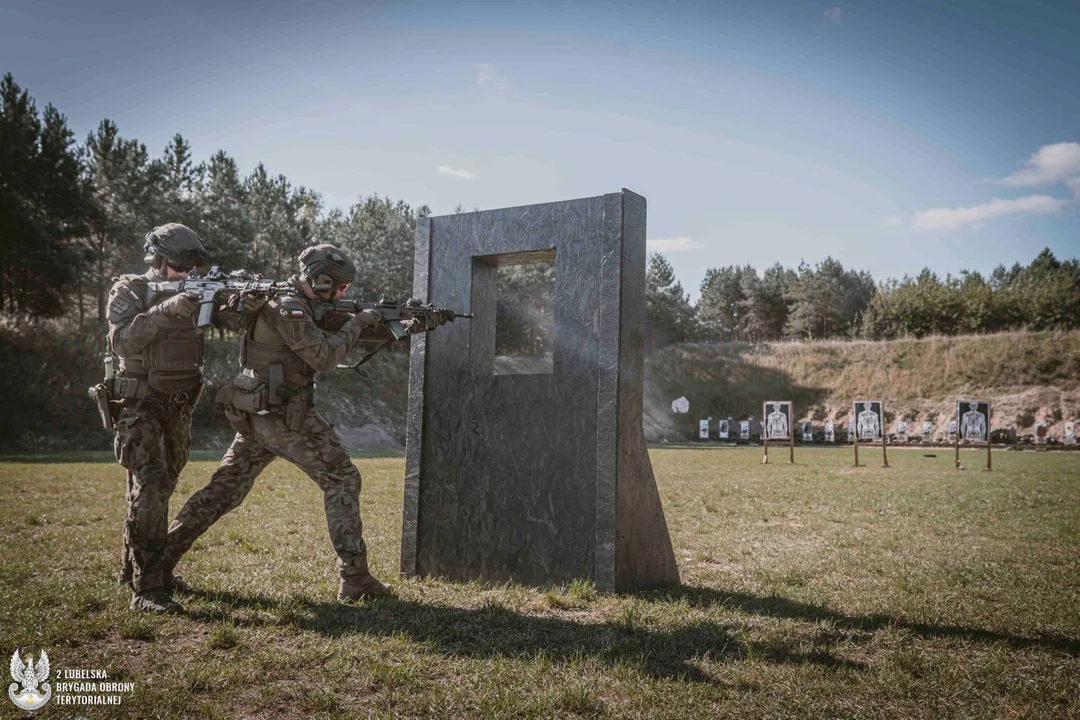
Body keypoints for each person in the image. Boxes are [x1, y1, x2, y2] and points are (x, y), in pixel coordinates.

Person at [160, 244, 435, 602]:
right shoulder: (286, 306)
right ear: (320, 281)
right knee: (341, 478)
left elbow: (350, 330)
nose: (344, 293)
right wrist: (360, 321)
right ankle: (355, 579)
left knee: (224, 489)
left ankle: (157, 564)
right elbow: (324, 355)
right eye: (339, 286)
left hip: (262, 411)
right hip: (282, 413)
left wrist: (410, 325)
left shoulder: (300, 304)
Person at [108, 223, 255, 614]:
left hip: (178, 405)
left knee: (159, 486)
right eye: (176, 267)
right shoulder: (132, 289)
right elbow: (120, 340)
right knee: (152, 485)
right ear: (156, 259)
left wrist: (242, 298)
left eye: (190, 268)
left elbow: (233, 321)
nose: (185, 275)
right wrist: (166, 309)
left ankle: (134, 570)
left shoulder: (197, 291)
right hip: (139, 403)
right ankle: (149, 587)